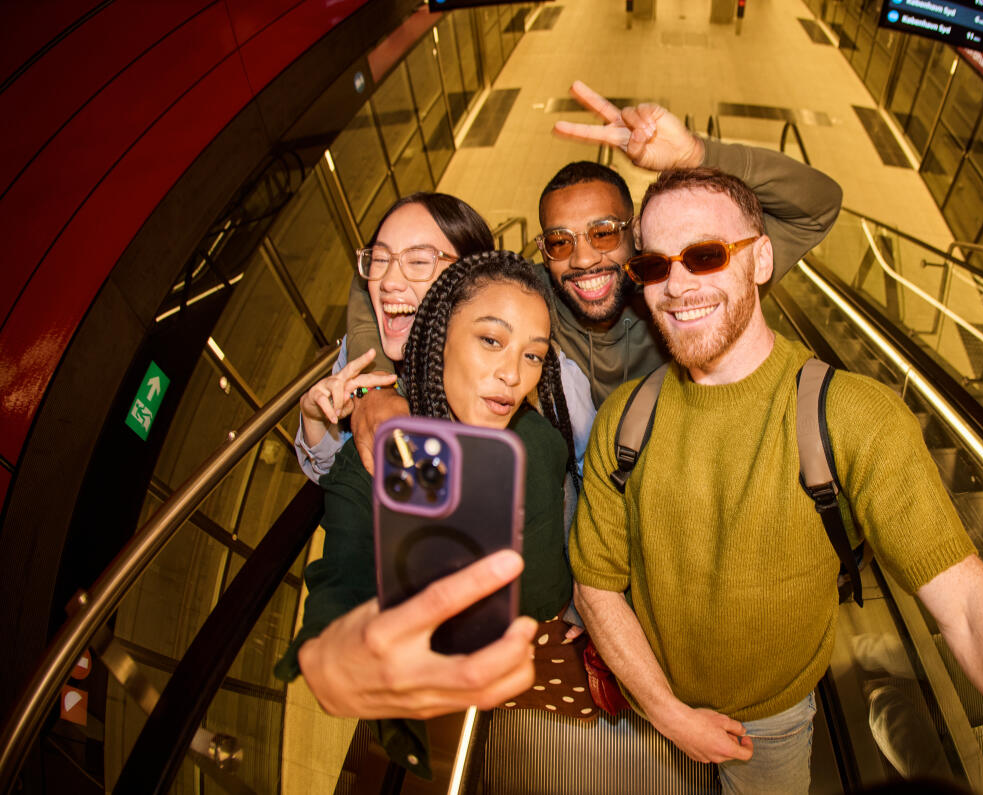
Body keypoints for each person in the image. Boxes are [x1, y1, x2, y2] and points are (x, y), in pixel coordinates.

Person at [568, 167, 983, 794]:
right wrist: (665, 711)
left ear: (762, 259)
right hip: (647, 710)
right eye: (655, 267)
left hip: (768, 729)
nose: (678, 286)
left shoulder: (852, 416)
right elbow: (597, 583)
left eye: (705, 255)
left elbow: (965, 604)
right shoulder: (626, 418)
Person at [344, 80, 844, 471]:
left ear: (638, 235)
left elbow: (817, 206)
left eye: (604, 233)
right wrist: (374, 389)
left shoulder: (684, 290)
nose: (582, 260)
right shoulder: (532, 299)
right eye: (559, 242)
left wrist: (697, 156)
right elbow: (387, 286)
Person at [276, 250, 593, 776]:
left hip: (554, 651)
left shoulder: (538, 439)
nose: (513, 375)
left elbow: (566, 525)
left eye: (533, 355)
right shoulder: (381, 456)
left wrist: (583, 607)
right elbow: (341, 577)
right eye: (491, 340)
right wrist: (337, 648)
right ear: (439, 334)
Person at [293, 191, 495, 480]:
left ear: (471, 278)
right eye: (380, 258)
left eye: (418, 262)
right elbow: (335, 474)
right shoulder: (361, 355)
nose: (388, 281)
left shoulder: (510, 368)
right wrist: (317, 420)